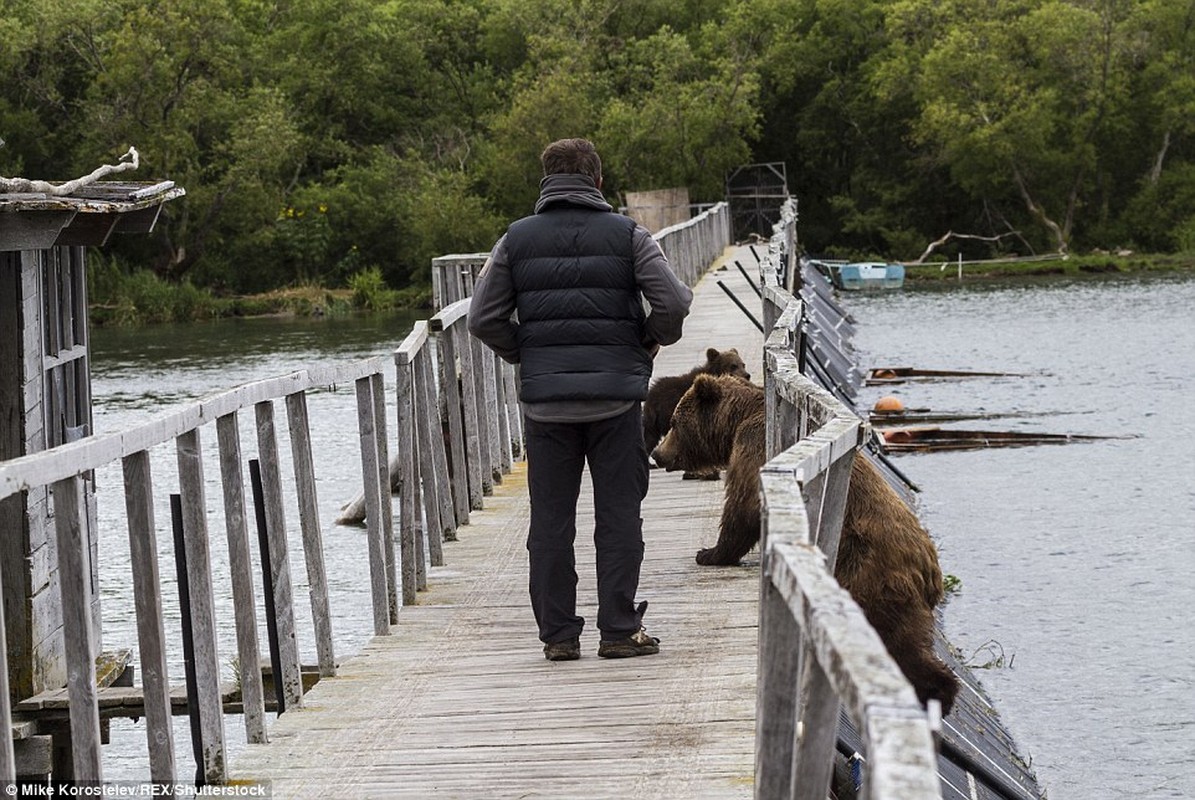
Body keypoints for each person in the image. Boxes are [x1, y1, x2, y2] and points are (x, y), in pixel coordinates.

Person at [468, 138, 693, 661]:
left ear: (545, 182)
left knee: (549, 521)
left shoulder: (514, 241)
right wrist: (645, 343)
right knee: (618, 516)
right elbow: (675, 304)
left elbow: (482, 319)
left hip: (547, 408)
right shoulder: (630, 235)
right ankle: (617, 630)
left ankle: (559, 637)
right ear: (597, 180)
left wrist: (525, 352)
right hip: (616, 404)